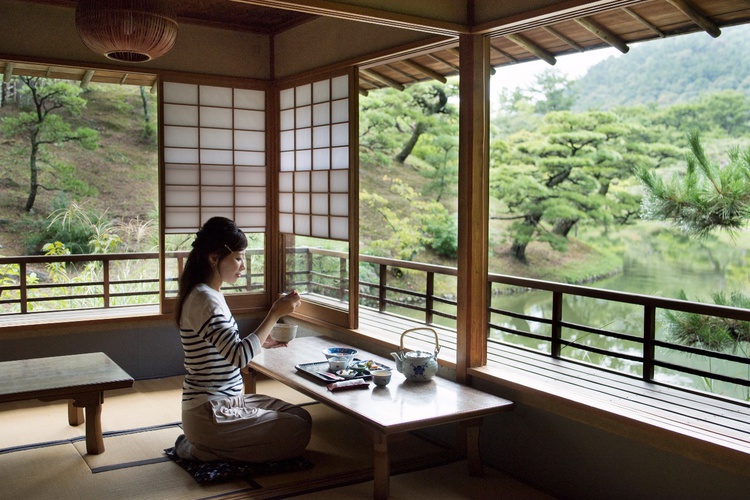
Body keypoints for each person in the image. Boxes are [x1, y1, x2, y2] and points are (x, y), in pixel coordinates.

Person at [173, 216, 311, 462]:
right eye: (238, 258)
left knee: (302, 418)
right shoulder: (204, 299)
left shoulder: (210, 293)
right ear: (214, 258)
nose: (243, 266)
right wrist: (274, 314)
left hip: (231, 401)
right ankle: (204, 449)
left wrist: (263, 342)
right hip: (211, 411)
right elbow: (238, 357)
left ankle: (209, 446)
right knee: (297, 432)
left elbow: (228, 348)